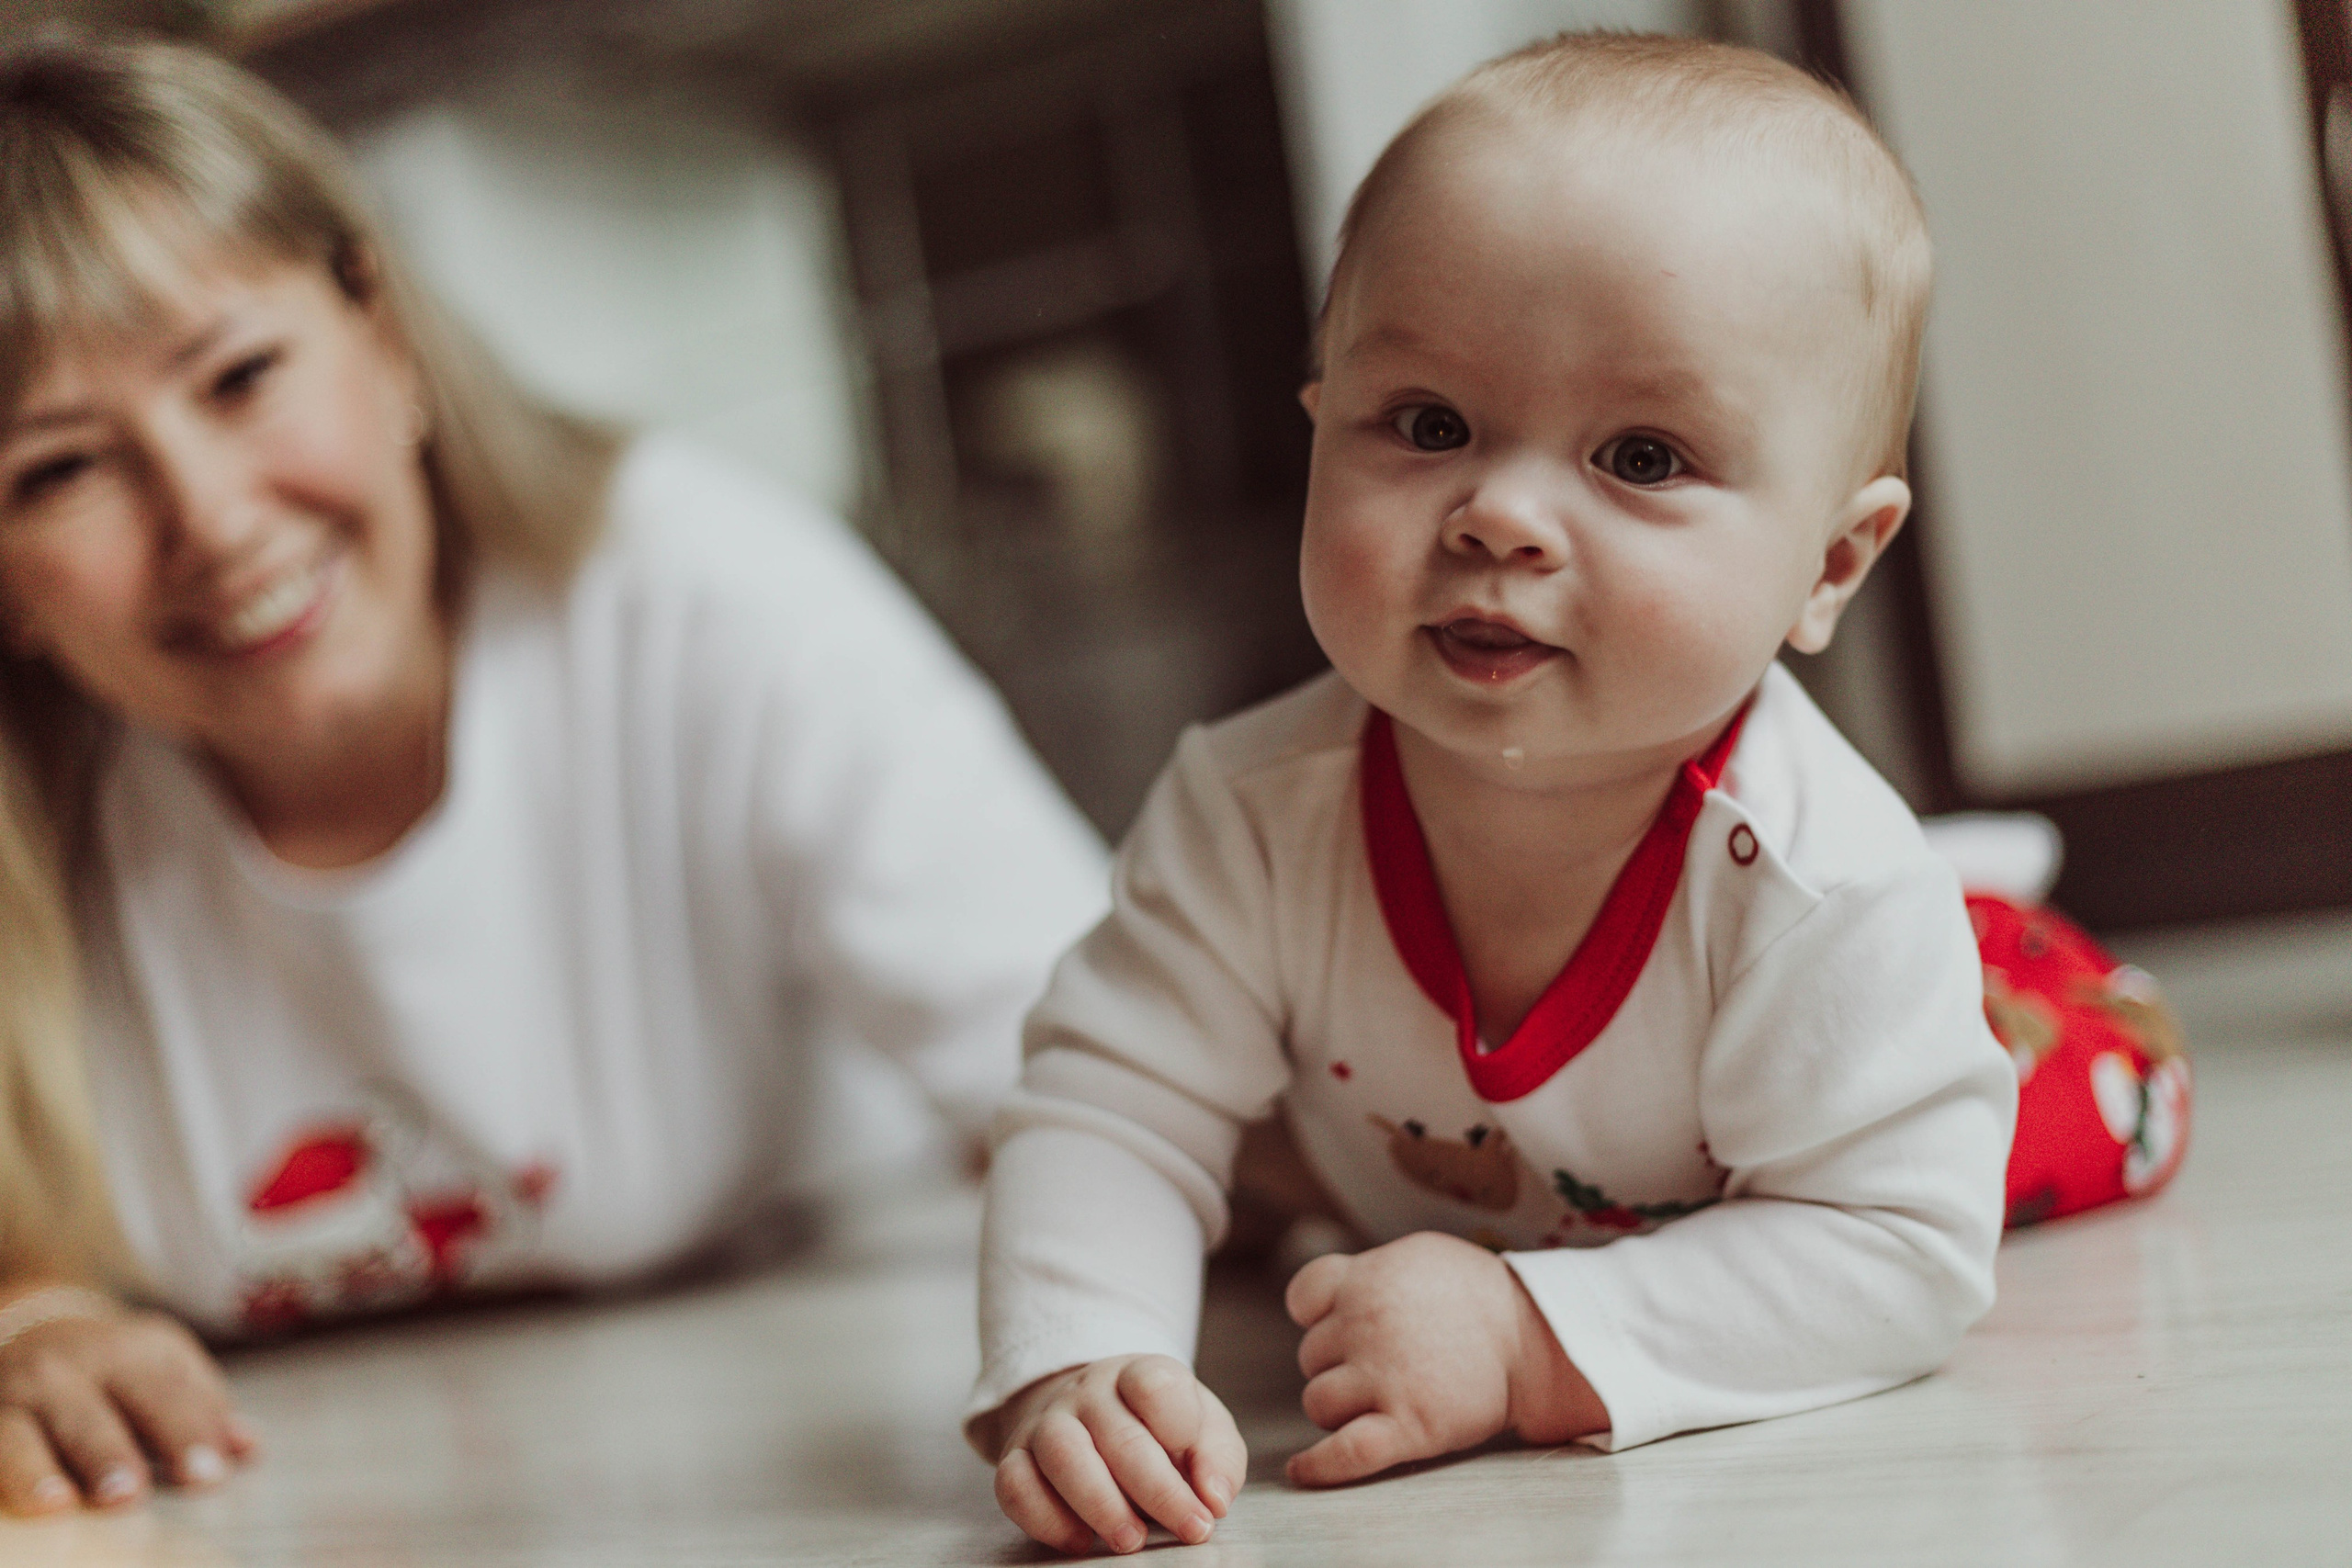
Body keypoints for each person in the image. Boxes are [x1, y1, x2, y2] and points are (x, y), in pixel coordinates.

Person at [0, 31, 1107, 1516]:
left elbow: (1124, 1084)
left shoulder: (704, 598)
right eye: (58, 468)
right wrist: (34, 1325)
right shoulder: (36, 813)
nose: (207, 518)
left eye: (242, 375)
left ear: (380, 334)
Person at [969, 33, 2023, 1555]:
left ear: (1832, 563)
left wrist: (1528, 1339)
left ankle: (2000, 922)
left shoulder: (1824, 884)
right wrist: (1079, 1360)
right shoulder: (1248, 811)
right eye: (1430, 425)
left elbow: (1901, 1249)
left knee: (2061, 1080)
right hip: (1443, 1161)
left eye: (1641, 456)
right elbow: (1106, 1105)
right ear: (1319, 416)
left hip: (1827, 1089)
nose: (1503, 516)